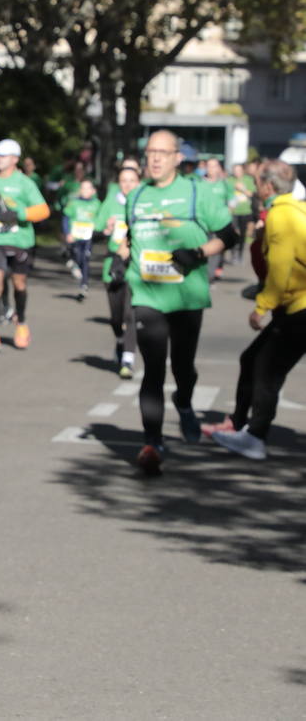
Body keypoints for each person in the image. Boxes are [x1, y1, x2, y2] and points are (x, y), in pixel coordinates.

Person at [118, 129, 237, 477]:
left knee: (182, 366)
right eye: (150, 152)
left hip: (187, 295)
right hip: (147, 294)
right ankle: (152, 442)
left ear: (177, 158)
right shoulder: (135, 196)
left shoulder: (197, 192)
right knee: (153, 368)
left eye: (162, 152)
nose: (154, 158)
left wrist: (198, 252)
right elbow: (131, 235)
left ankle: (183, 401)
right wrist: (120, 258)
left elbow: (230, 235)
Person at [207, 160, 306, 459]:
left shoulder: (283, 215)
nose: (254, 186)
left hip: (299, 309)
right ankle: (241, 425)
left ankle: (255, 438)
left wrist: (261, 307)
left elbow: (280, 268)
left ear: (268, 186)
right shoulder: (290, 210)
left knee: (266, 369)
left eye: (258, 181)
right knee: (252, 359)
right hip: (294, 307)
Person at [0, 138, 50, 352]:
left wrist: (18, 214)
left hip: (20, 240)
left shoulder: (25, 183)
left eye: (3, 155)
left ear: (15, 159)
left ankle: (22, 322)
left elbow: (43, 210)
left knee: (19, 284)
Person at [97, 164, 142, 378]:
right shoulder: (111, 202)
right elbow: (96, 228)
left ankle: (128, 359)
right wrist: (106, 228)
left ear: (139, 182)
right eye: (124, 181)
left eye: (132, 181)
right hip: (113, 265)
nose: (127, 185)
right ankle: (120, 339)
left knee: (130, 313)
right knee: (116, 317)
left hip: (135, 265)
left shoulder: (144, 204)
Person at [63, 179, 101, 301]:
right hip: (75, 236)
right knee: (78, 256)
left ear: (93, 191)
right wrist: (67, 233)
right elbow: (65, 218)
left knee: (86, 258)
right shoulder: (73, 203)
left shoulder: (97, 204)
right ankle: (73, 261)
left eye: (87, 188)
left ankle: (84, 285)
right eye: (82, 188)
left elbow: (101, 218)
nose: (85, 191)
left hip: (88, 237)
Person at [202, 157, 233, 280]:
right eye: (209, 166)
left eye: (214, 166)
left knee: (216, 249)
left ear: (219, 168)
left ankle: (210, 275)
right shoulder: (200, 183)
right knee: (203, 247)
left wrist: (229, 212)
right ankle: (204, 272)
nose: (211, 169)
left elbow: (232, 199)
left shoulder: (224, 184)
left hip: (220, 222)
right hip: (204, 222)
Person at [229, 162, 255, 264]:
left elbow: (251, 194)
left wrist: (242, 189)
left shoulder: (248, 180)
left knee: (243, 235)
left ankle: (240, 255)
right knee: (234, 233)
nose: (237, 172)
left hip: (245, 211)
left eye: (239, 170)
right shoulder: (229, 180)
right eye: (235, 170)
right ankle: (233, 254)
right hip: (233, 211)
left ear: (242, 171)